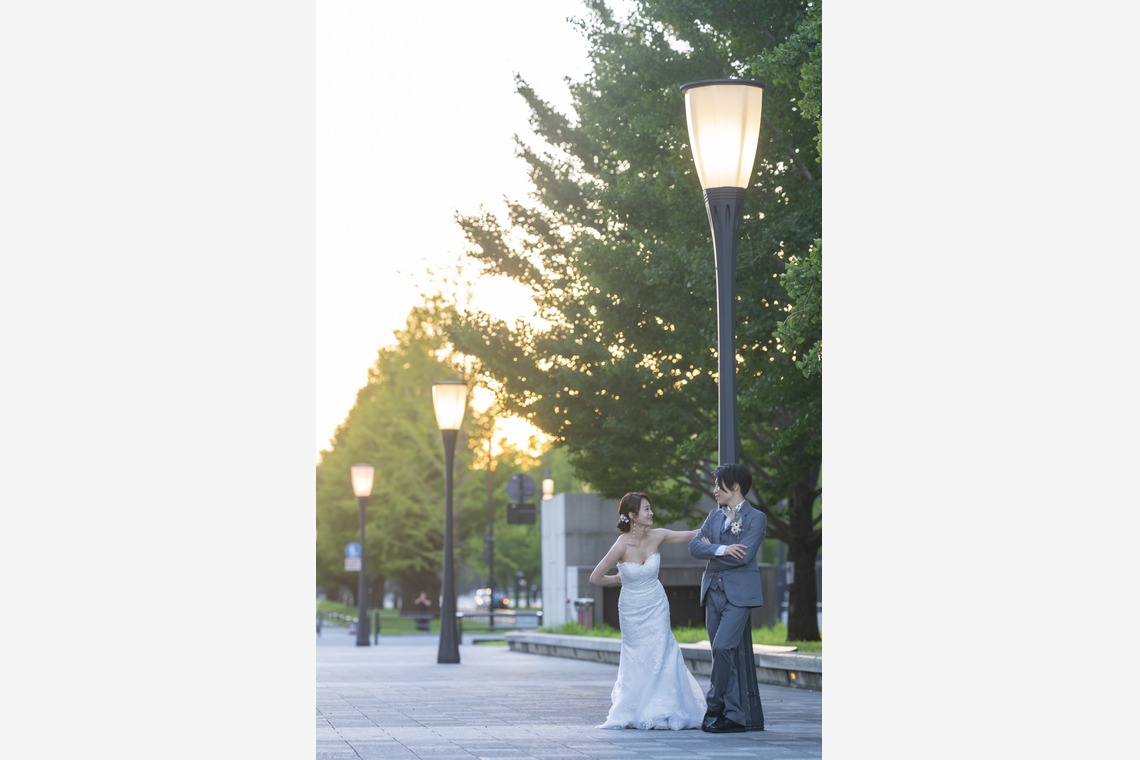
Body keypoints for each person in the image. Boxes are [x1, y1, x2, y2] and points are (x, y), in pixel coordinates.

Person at [589, 491, 707, 730]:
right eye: (646, 509)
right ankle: (636, 708)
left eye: (650, 508)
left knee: (663, 650)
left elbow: (691, 534)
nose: (651, 513)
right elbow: (595, 577)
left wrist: (716, 523)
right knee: (638, 656)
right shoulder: (621, 544)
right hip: (632, 609)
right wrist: (618, 579)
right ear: (632, 515)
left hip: (656, 604)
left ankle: (666, 707)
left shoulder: (658, 536)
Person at [688, 462, 767, 733]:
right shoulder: (713, 516)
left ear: (734, 486)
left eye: (718, 485)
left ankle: (714, 703)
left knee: (723, 647)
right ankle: (734, 717)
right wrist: (722, 549)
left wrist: (713, 551)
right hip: (712, 592)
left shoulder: (756, 518)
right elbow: (694, 547)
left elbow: (744, 555)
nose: (714, 490)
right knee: (722, 655)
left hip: (739, 596)